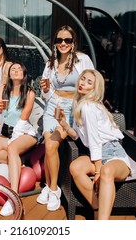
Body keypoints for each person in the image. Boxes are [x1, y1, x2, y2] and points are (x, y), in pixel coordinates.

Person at [59, 69, 131, 220]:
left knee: (105, 172)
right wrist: (64, 124)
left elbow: (94, 139)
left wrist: (98, 170)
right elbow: (79, 136)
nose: (83, 83)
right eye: (82, 79)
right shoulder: (80, 103)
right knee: (75, 167)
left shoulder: (88, 107)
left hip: (113, 152)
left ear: (94, 88)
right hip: (96, 153)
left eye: (89, 82)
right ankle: (97, 208)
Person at [37, 25, 94, 211]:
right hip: (53, 106)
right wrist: (45, 90)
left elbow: (93, 83)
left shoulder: (83, 60)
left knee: (52, 145)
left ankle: (54, 190)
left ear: (73, 42)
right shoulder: (50, 63)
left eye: (67, 40)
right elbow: (47, 93)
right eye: (59, 40)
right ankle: (49, 186)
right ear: (55, 43)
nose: (63, 43)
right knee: (48, 146)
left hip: (72, 108)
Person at [0, 62, 38, 217]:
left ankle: (13, 196)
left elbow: (22, 122)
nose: (16, 71)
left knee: (12, 148)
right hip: (7, 132)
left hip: (25, 133)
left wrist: (11, 146)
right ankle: (17, 163)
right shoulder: (2, 89)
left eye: (19, 69)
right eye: (13, 69)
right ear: (9, 74)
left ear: (24, 74)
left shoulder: (29, 93)